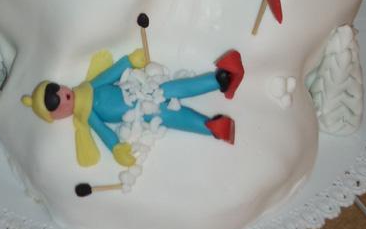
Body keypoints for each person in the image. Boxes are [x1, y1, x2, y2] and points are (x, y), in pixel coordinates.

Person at [22, 49, 244, 167]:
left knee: (174, 88)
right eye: (55, 102)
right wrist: (116, 149)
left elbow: (109, 74)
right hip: (143, 113)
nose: (61, 96)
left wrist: (129, 61)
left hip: (143, 89)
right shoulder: (88, 115)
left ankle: (222, 79)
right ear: (57, 115)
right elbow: (103, 131)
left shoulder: (89, 85)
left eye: (55, 90)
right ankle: (212, 128)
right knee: (170, 115)